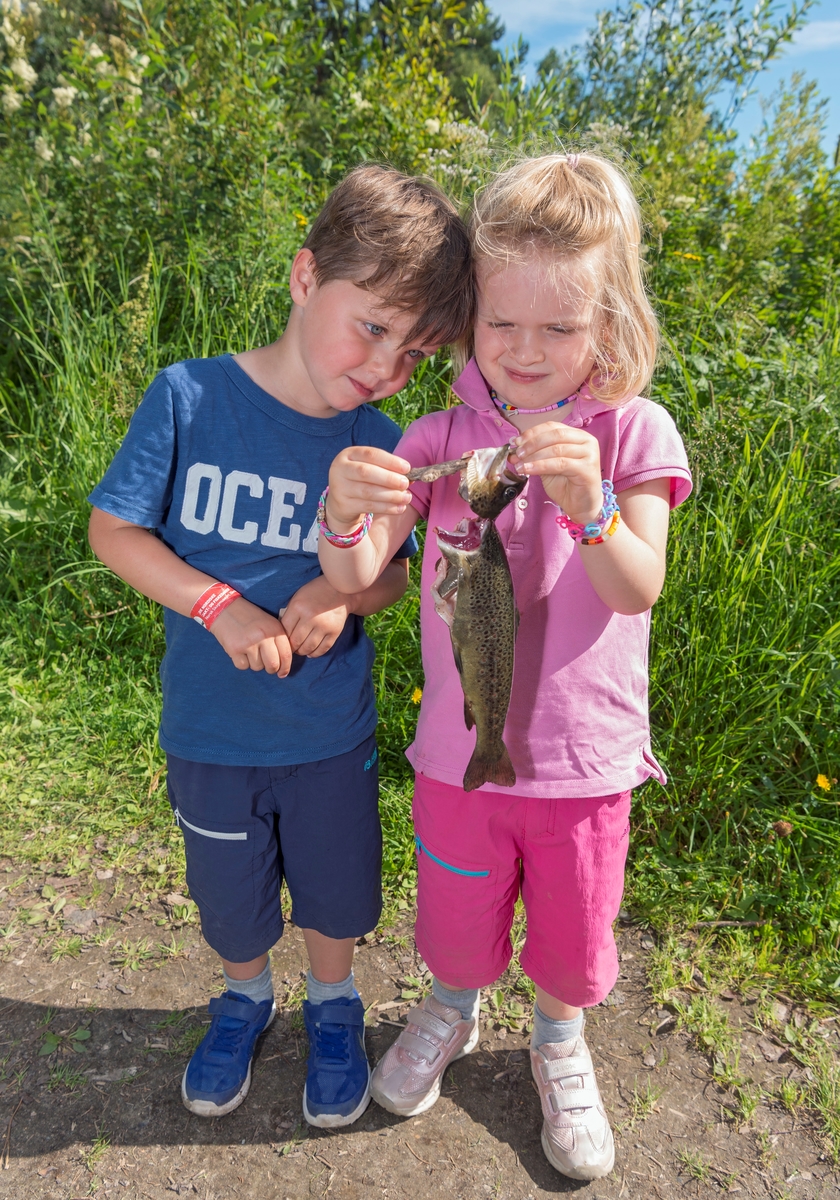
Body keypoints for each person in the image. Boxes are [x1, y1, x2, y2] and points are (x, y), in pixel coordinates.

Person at [317, 152, 692, 1179]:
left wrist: (596, 508)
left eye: (560, 328)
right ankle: (452, 1006)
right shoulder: (438, 437)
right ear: (470, 316)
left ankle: (560, 1041)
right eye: (502, 324)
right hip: (459, 754)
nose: (527, 352)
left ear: (609, 325)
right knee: (456, 914)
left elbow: (636, 585)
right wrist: (343, 513)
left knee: (572, 936)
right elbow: (356, 576)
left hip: (586, 764)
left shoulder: (633, 433)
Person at [87, 165, 474, 1129]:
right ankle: (245, 996)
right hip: (211, 730)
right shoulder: (188, 397)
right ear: (306, 277)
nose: (387, 368)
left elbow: (396, 573)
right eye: (373, 327)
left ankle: (333, 1005)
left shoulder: (388, 441)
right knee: (230, 892)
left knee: (336, 888)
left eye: (415, 352)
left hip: (327, 731)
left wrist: (337, 597)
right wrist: (217, 603)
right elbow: (115, 532)